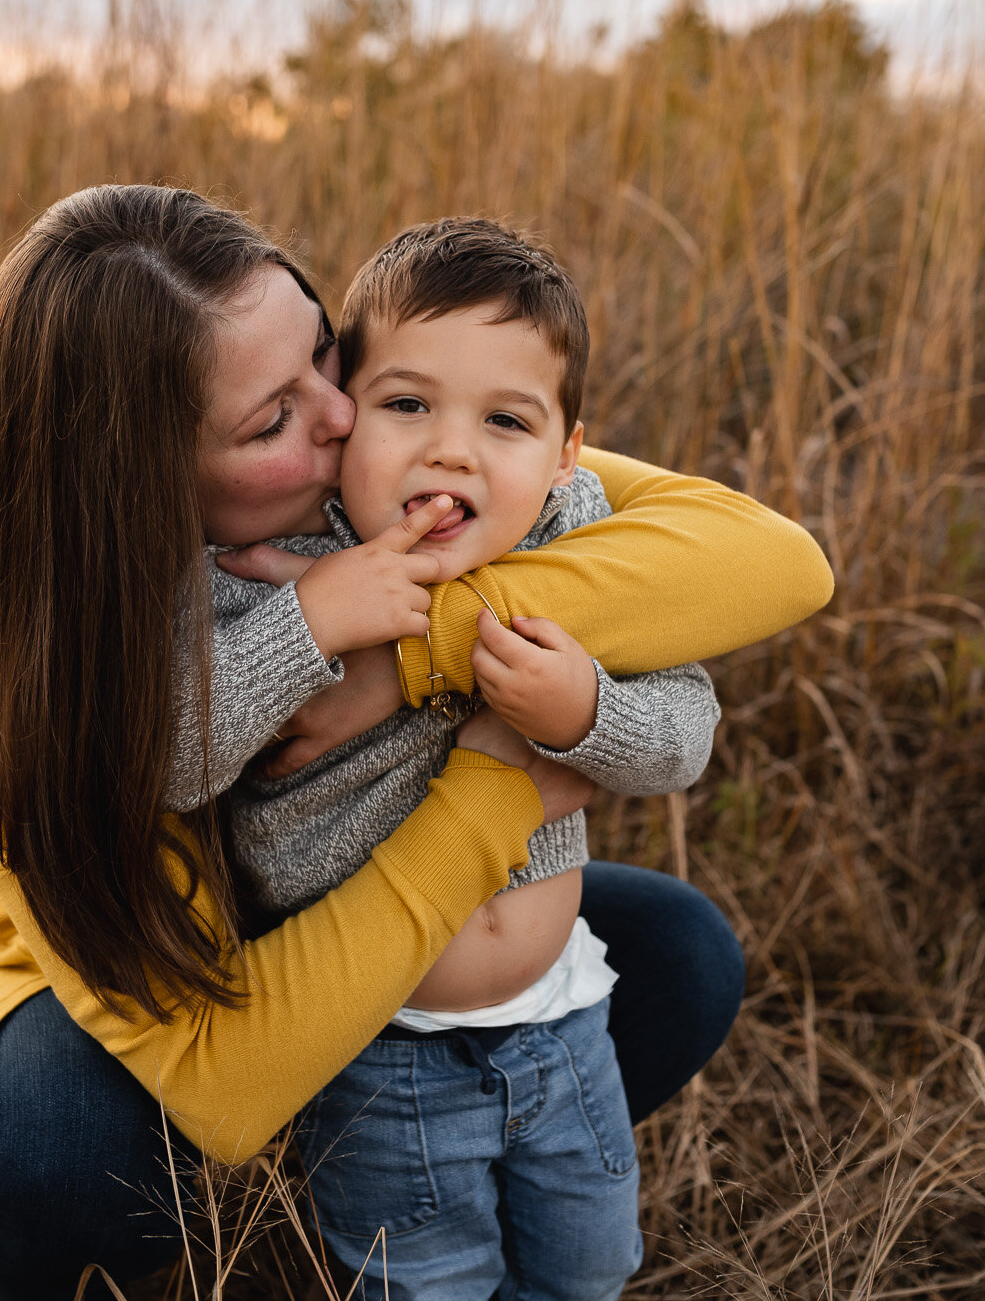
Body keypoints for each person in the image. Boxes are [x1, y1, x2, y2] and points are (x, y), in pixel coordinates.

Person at [0, 185, 834, 1298]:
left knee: (679, 954)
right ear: (137, 483)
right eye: (271, 419)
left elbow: (768, 559)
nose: (341, 416)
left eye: (327, 354)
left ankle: (380, 1172)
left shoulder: (411, 449)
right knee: (58, 1150)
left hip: (342, 932)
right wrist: (495, 781)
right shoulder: (8, 652)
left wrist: (410, 651)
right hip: (87, 984)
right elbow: (222, 1076)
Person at [184, 216, 724, 1299]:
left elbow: (686, 732)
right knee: (421, 1280)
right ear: (343, 419)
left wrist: (581, 713)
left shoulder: (568, 539)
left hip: (563, 1018)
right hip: (382, 1050)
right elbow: (166, 754)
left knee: (588, 1266)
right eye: (406, 404)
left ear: (567, 450)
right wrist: (312, 623)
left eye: (506, 420)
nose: (450, 449)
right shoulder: (275, 561)